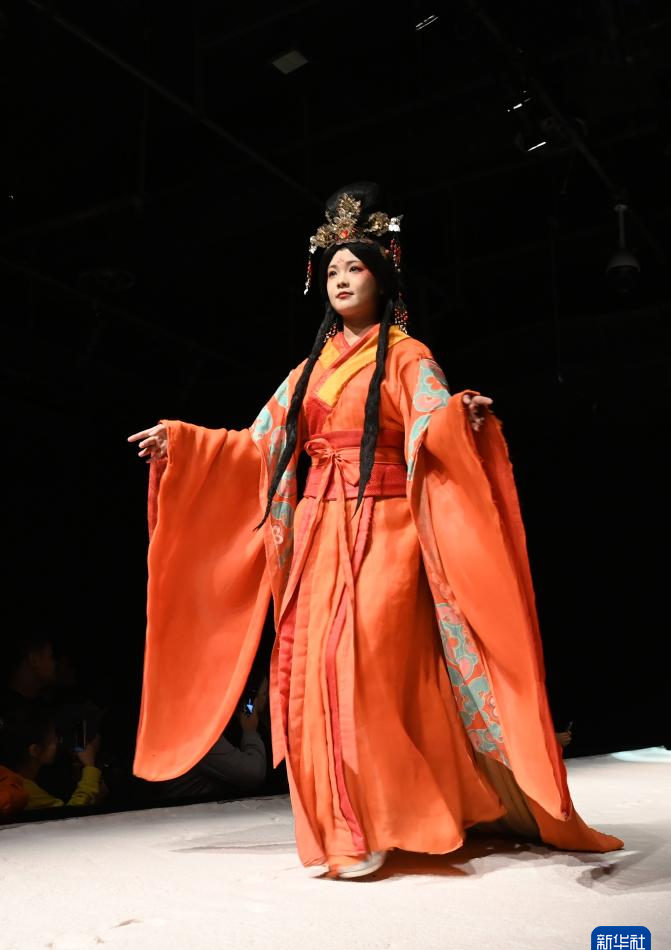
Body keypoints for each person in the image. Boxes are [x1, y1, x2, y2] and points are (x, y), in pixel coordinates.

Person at [128, 182, 623, 879]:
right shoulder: (308, 370)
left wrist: (460, 416)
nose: (340, 280)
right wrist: (182, 443)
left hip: (387, 527)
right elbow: (256, 444)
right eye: (331, 269)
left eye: (354, 267)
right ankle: (346, 827)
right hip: (317, 530)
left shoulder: (407, 355)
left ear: (382, 277)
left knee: (366, 667)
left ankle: (383, 818)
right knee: (315, 669)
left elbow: (429, 420)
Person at [0, 701, 103, 811]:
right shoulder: (23, 790)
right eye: (53, 739)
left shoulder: (14, 777)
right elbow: (70, 816)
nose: (58, 742)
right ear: (35, 750)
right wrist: (90, 767)